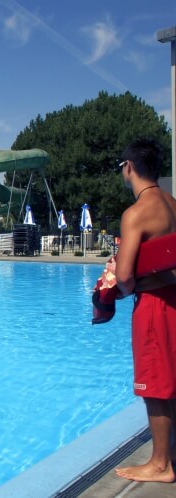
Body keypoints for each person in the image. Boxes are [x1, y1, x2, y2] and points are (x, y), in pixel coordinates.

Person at [114, 138, 176, 483]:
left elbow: (124, 276)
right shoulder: (173, 204)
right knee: (172, 379)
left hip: (153, 306)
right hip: (175, 299)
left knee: (153, 384)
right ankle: (171, 454)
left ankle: (160, 464)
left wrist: (120, 289)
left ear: (129, 167)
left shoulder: (136, 213)